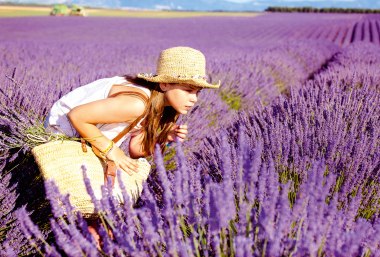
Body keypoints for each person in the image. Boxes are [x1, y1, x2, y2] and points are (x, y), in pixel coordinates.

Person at [43, 46, 220, 247]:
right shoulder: (137, 104)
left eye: (198, 92)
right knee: (96, 220)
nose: (194, 99)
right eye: (188, 90)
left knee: (103, 221)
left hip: (94, 136)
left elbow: (137, 149)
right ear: (164, 84)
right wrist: (112, 151)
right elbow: (77, 116)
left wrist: (165, 137)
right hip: (66, 135)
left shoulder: (162, 104)